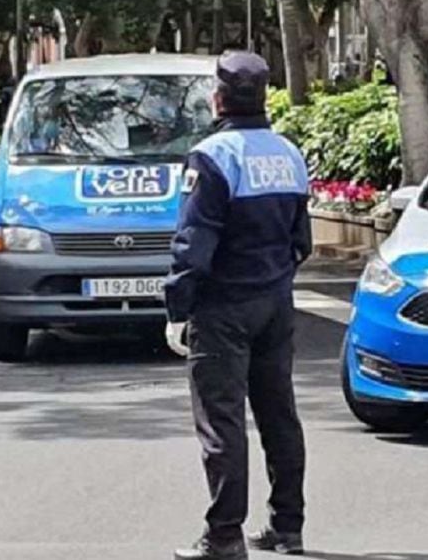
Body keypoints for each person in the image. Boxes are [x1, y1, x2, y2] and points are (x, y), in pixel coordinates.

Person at [165, 51, 312, 560]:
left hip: (223, 307)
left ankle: (224, 536)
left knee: (222, 422)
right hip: (275, 302)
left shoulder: (212, 157)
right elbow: (302, 241)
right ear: (264, 96)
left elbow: (193, 244)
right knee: (279, 415)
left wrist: (178, 307)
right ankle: (287, 527)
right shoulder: (289, 154)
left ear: (218, 99)